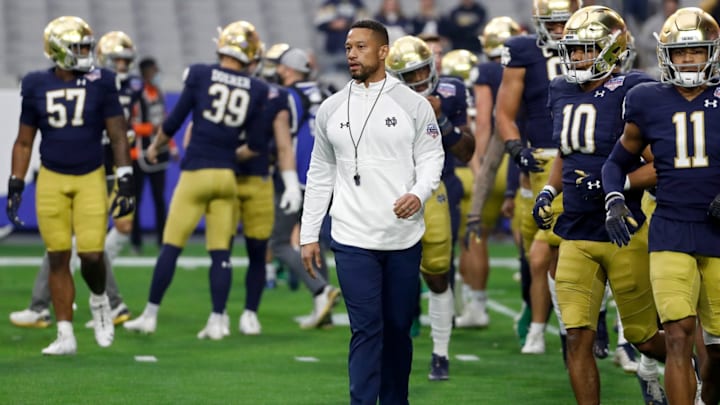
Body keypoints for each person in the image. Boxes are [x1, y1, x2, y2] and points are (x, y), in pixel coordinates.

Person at [300, 20, 444, 404]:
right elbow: (320, 173)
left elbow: (432, 156)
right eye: (348, 47)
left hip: (402, 236)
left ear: (384, 52)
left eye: (361, 47)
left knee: (398, 329)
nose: (351, 54)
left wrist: (419, 192)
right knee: (366, 330)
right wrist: (309, 234)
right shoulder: (330, 108)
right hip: (350, 237)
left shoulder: (413, 104)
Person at [536, 6, 669, 404]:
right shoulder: (560, 89)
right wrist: (548, 189)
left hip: (622, 229)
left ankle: (688, 366)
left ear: (612, 50)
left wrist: (616, 182)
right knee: (577, 336)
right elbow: (566, 151)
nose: (577, 58)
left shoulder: (634, 91)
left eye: (586, 49)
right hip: (575, 231)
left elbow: (660, 164)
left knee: (645, 339)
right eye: (573, 50)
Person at [602, 7, 720, 404]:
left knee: (717, 347)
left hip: (717, 231)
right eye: (682, 53)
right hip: (669, 227)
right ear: (667, 54)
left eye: (697, 52)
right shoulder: (647, 99)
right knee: (678, 333)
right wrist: (615, 197)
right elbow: (617, 161)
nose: (689, 61)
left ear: (712, 53)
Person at [123, 20, 269, 340]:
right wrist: (230, 156)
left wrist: (154, 148)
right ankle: (218, 321)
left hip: (196, 173)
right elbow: (257, 144)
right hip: (227, 177)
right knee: (221, 253)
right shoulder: (257, 89)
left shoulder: (202, 74)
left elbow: (174, 121)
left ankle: (149, 315)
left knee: (171, 247)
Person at [6, 16, 134, 355]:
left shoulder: (101, 81)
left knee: (92, 254)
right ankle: (65, 334)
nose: (84, 53)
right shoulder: (35, 84)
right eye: (77, 47)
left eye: (85, 47)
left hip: (90, 175)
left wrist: (125, 176)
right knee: (58, 255)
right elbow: (23, 141)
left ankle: (100, 301)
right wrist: (16, 183)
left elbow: (118, 132)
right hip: (51, 177)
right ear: (58, 51)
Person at [386, 35, 475, 381]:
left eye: (424, 69)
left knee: (437, 272)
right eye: (411, 74)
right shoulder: (379, 97)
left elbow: (466, 150)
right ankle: (388, 346)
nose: (421, 79)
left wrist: (442, 120)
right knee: (387, 274)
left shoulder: (450, 92)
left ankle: (440, 352)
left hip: (435, 188)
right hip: (388, 191)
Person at [496, 0, 580, 356]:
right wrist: (516, 148)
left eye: (565, 22)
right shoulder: (523, 51)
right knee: (534, 250)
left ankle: (601, 330)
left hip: (585, 157)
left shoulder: (595, 44)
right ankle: (540, 320)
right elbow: (505, 112)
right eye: (553, 22)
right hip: (542, 159)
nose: (559, 30)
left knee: (559, 251)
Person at [261, 44, 341, 329]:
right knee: (316, 242)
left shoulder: (288, 96)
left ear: (288, 69)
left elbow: (282, 139)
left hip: (297, 178)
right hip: (329, 176)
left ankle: (320, 290)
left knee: (280, 242)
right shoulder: (329, 92)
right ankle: (325, 310)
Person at [459, 16, 524, 329]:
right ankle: (531, 303)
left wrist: (480, 162)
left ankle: (478, 305)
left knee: (476, 236)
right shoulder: (531, 63)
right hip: (524, 157)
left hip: (496, 160)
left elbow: (484, 121)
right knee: (527, 236)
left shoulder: (486, 70)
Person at [130, 57, 178, 253]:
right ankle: (136, 242)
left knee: (160, 200)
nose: (157, 74)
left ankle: (162, 241)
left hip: (159, 152)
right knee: (136, 201)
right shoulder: (135, 95)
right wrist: (151, 128)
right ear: (146, 73)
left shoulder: (159, 93)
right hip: (138, 155)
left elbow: (165, 123)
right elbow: (130, 126)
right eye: (154, 70)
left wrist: (172, 146)